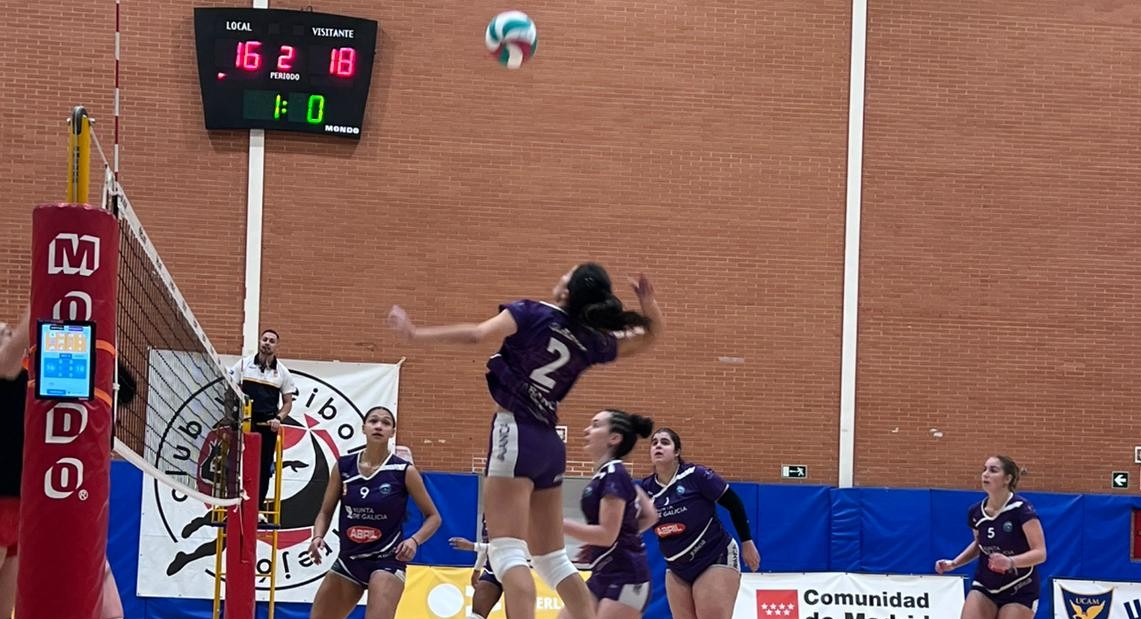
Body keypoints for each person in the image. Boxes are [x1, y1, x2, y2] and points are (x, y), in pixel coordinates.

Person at [387, 264, 663, 619]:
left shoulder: (532, 312)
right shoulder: (591, 339)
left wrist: (416, 334)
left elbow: (476, 335)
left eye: (566, 274)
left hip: (514, 430)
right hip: (549, 443)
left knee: (506, 551)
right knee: (552, 559)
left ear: (567, 292)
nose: (560, 276)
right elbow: (650, 337)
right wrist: (648, 301)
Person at [307, 406, 441, 619]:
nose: (379, 426)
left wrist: (414, 541)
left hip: (387, 559)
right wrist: (317, 537)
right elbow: (325, 511)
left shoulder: (403, 471)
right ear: (364, 428)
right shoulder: (344, 466)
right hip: (349, 560)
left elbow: (434, 517)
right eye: (373, 421)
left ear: (392, 432)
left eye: (386, 423)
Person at [638, 428, 760, 619]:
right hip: (677, 567)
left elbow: (734, 504)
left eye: (665, 442)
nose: (658, 446)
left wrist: (747, 541)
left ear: (677, 451)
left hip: (714, 555)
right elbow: (634, 526)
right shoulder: (646, 489)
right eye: (654, 443)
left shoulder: (696, 476)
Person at [562, 409, 657, 619]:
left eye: (596, 425)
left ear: (614, 438)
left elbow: (607, 535)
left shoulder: (614, 474)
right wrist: (612, 536)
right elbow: (650, 514)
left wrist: (556, 523)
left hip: (627, 576)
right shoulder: (611, 474)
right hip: (602, 572)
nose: (587, 430)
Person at [935, 455, 1047, 619]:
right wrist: (954, 563)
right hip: (986, 584)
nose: (985, 474)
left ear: (1007, 479)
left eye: (993, 470)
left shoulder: (1021, 509)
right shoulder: (975, 512)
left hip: (1021, 586)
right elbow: (978, 545)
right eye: (984, 469)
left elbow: (1040, 553)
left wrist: (1010, 562)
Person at [228, 329, 296, 516]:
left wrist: (278, 419)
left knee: (264, 469)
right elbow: (230, 391)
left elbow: (288, 403)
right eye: (265, 339)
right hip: (243, 423)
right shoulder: (243, 364)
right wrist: (231, 416)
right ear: (259, 341)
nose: (267, 343)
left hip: (267, 426)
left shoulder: (283, 372)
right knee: (233, 465)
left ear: (277, 346)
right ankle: (232, 506)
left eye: (272, 341)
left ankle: (254, 509)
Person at [448, 516, 505, 619]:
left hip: (513, 573)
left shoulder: (514, 510)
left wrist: (473, 546)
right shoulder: (488, 511)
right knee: (475, 616)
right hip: (492, 571)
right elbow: (486, 542)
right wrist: (477, 569)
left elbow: (509, 547)